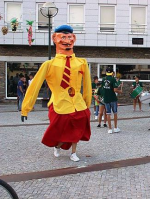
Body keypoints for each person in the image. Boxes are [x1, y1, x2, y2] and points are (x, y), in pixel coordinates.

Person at [21, 25, 92, 162]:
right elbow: (34, 86)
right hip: (59, 103)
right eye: (63, 37)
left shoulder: (81, 63)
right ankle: (57, 145)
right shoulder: (49, 64)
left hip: (77, 104)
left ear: (74, 38)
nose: (66, 40)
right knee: (60, 131)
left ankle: (73, 152)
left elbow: (87, 85)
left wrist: (86, 102)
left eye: (69, 37)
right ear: (54, 38)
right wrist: (26, 108)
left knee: (77, 129)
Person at [102, 67, 122, 134]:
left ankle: (109, 129)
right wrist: (120, 91)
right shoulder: (113, 79)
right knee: (115, 113)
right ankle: (115, 128)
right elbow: (115, 90)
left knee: (108, 114)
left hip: (106, 98)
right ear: (112, 72)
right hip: (113, 98)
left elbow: (103, 88)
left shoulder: (103, 79)